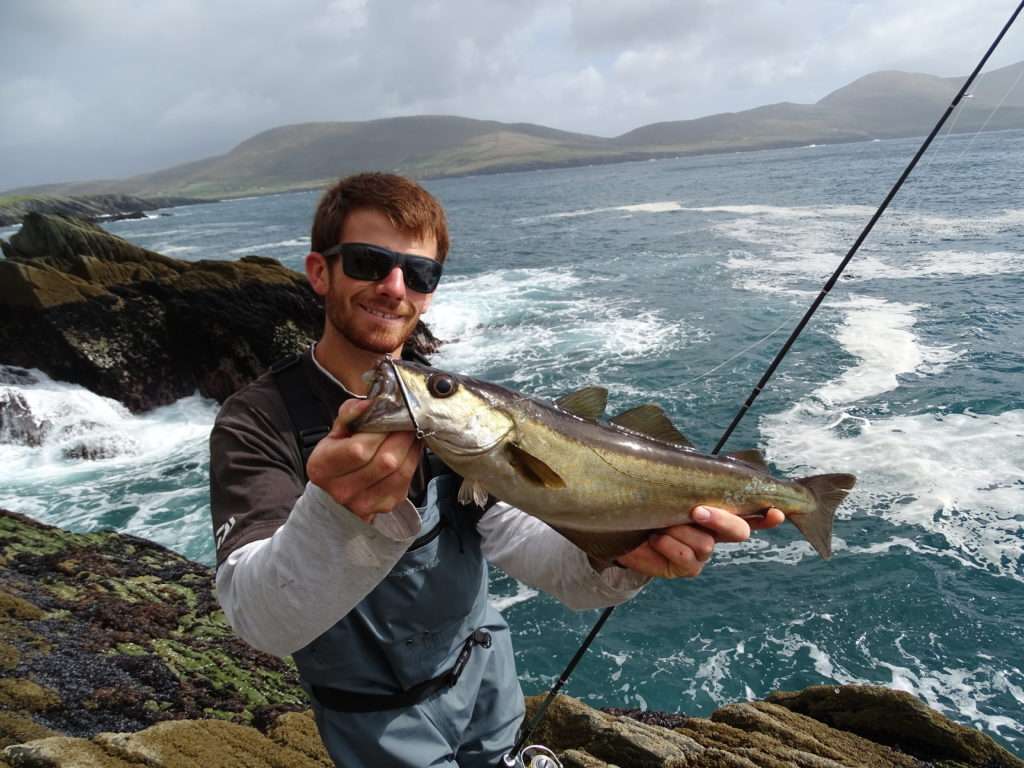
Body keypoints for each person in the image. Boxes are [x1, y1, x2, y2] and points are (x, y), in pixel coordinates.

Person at [209, 172, 784, 768]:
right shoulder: (257, 422)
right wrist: (337, 515)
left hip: (488, 686)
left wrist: (624, 553)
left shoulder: (458, 415)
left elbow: (537, 551)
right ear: (319, 271)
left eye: (420, 273)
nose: (394, 287)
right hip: (377, 726)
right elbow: (258, 621)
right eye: (367, 261)